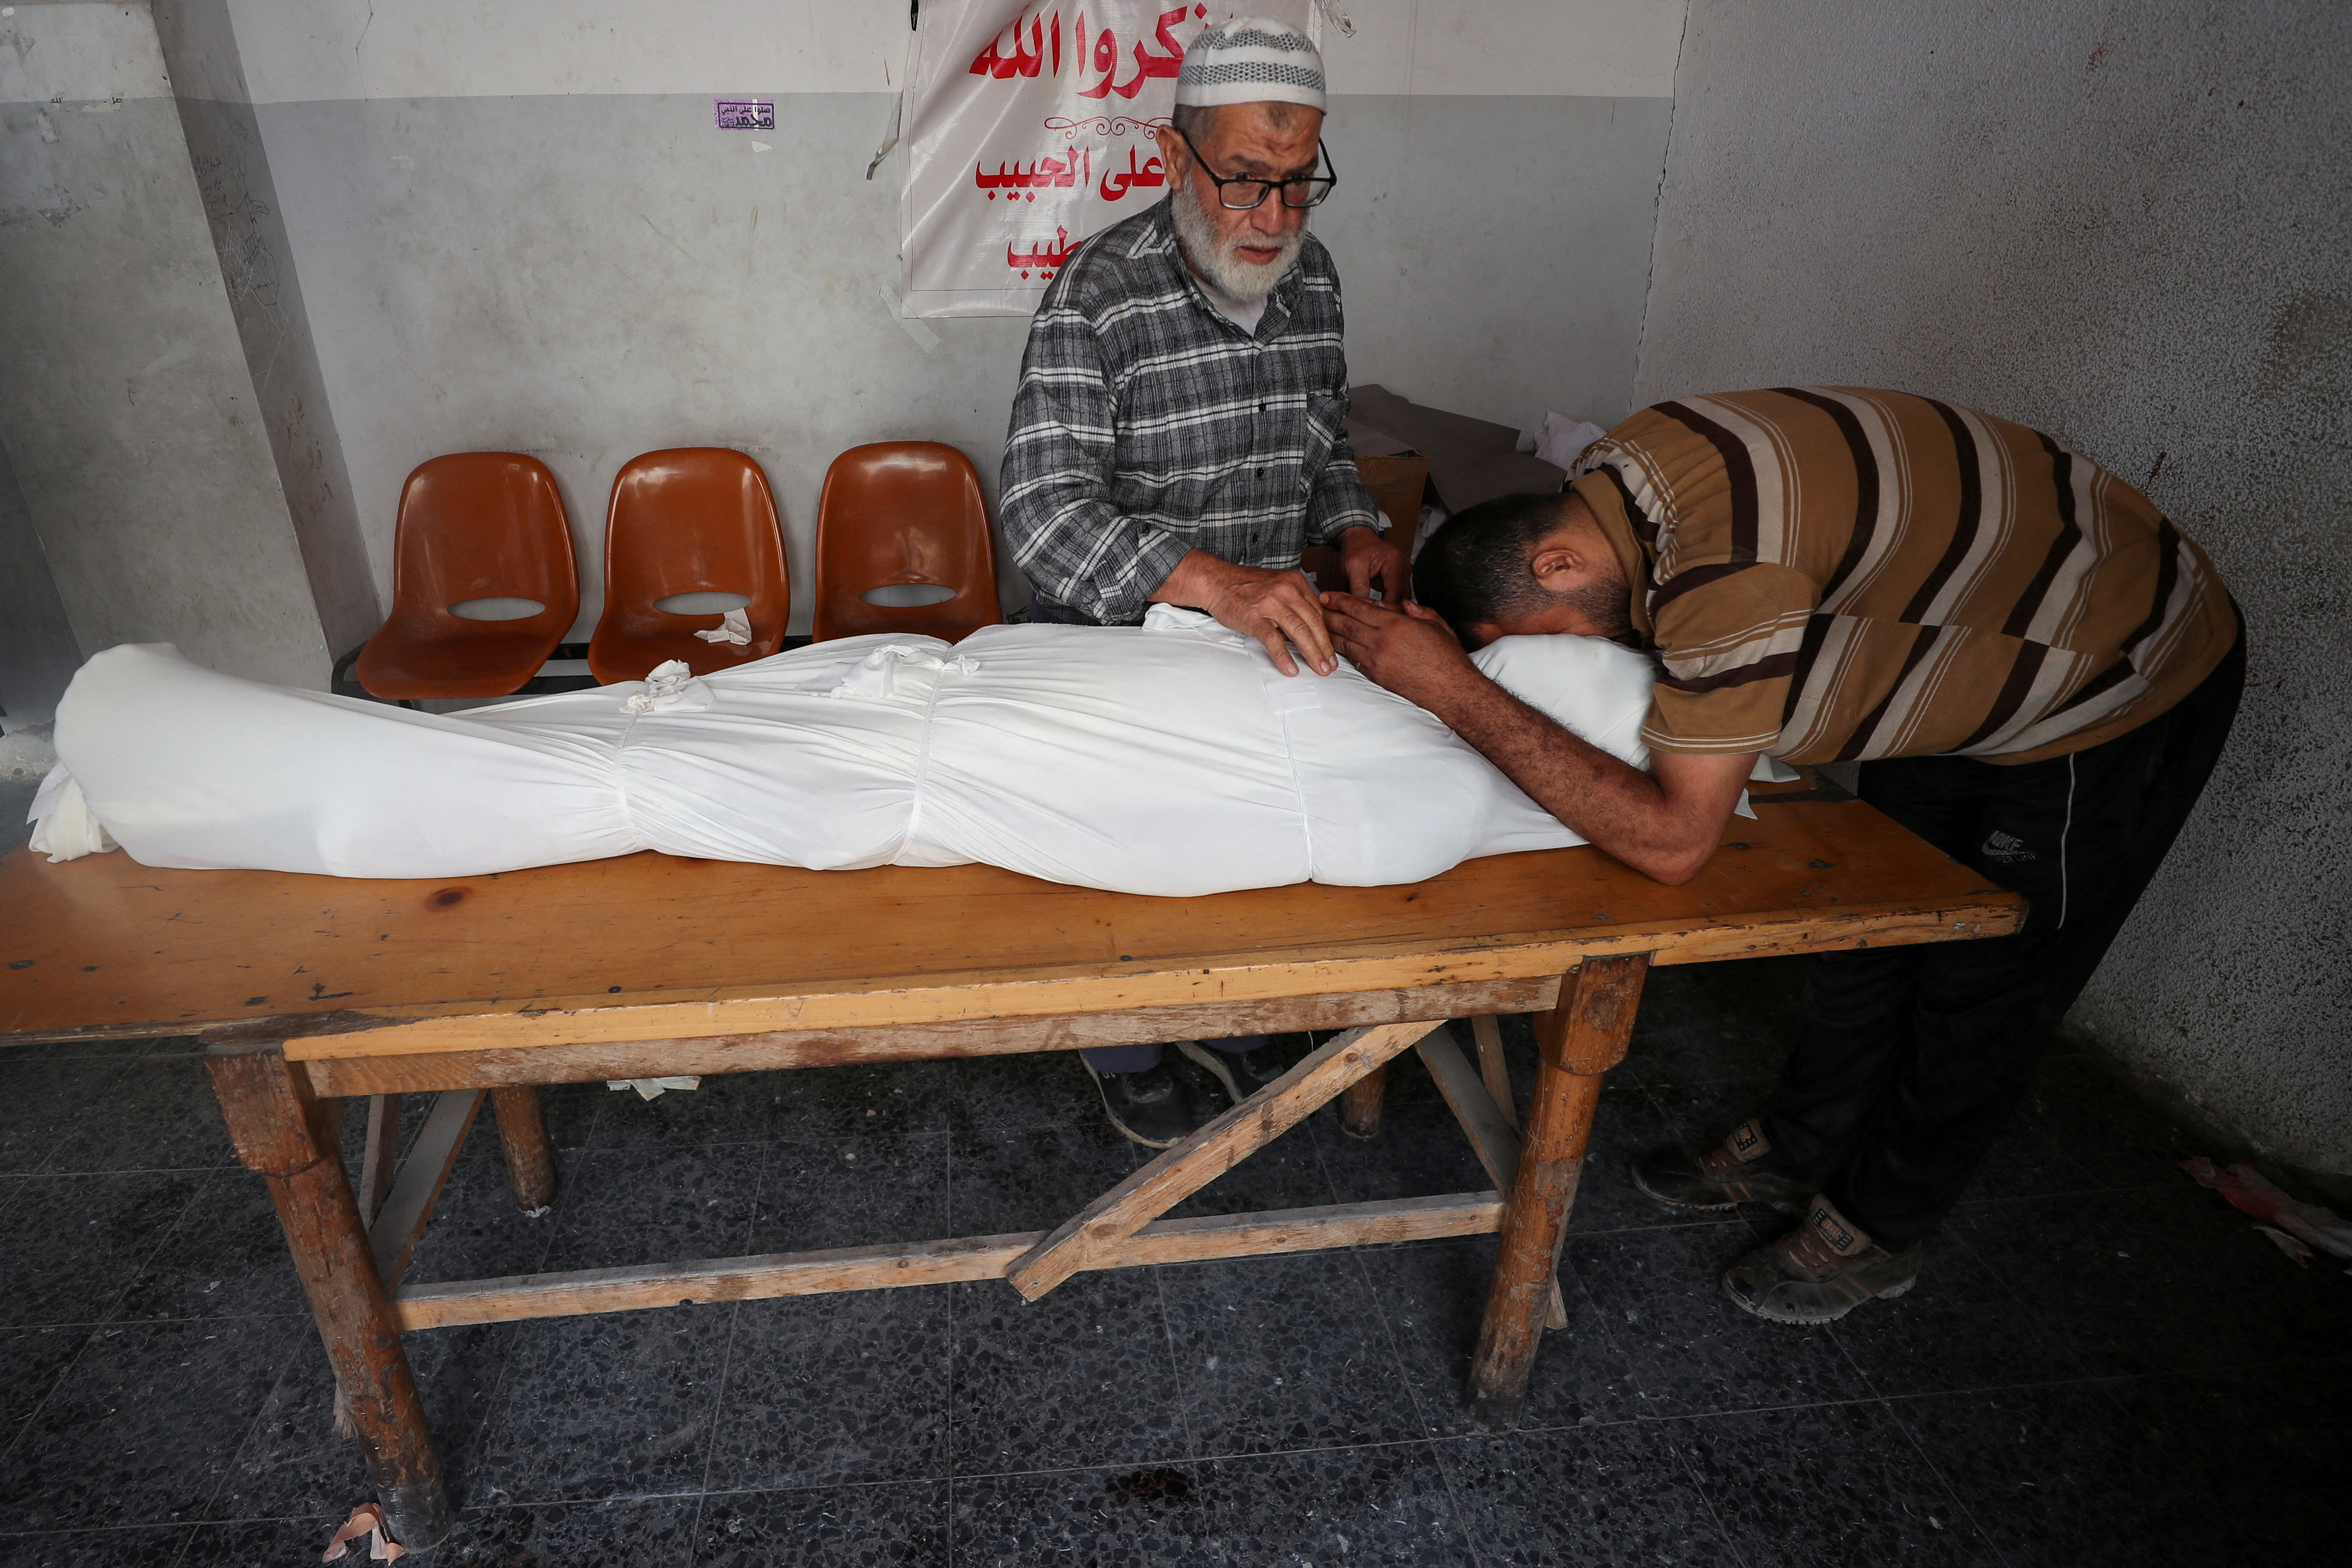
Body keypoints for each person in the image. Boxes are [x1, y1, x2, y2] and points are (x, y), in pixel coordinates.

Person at [1323, 386, 2242, 1322]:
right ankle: (1803, 1142)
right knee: (1871, 936)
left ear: (1554, 561)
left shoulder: (1720, 575)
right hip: (1965, 645)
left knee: (1985, 982)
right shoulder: (1614, 481)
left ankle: (1881, 1225)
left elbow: (1676, 844)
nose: (1585, 659)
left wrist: (1454, 693)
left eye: (1556, 644)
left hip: (2112, 669)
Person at [998, 16, 1411, 1145]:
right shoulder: (1100, 295)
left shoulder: (1311, 280)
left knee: (1245, 849)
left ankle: (1227, 1018)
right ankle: (1121, 1038)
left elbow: (1322, 441)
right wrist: (1208, 583)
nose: (1273, 218)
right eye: (1242, 181)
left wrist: (1357, 521)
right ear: (1174, 160)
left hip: (1253, 644)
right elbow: (1041, 515)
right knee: (1120, 867)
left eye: (1297, 183)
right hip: (1113, 646)